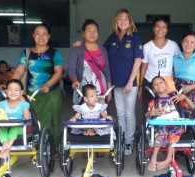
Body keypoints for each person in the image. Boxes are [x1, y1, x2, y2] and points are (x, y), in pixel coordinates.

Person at [11, 23, 63, 151]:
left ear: (49, 36)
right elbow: (19, 71)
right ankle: (38, 150)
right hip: (32, 95)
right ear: (33, 35)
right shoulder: (26, 53)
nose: (41, 37)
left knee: (53, 123)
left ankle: (54, 149)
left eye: (44, 34)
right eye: (38, 34)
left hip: (52, 94)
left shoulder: (54, 53)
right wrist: (11, 85)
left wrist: (47, 84)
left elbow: (58, 72)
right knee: (34, 123)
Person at [104, 8, 144, 156]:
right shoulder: (112, 37)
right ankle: (121, 138)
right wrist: (81, 45)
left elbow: (138, 60)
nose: (123, 21)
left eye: (126, 19)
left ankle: (129, 141)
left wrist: (130, 81)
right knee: (120, 113)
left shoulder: (135, 37)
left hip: (130, 83)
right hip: (116, 83)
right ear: (116, 21)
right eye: (120, 19)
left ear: (130, 21)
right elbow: (101, 51)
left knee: (129, 113)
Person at [145, 76, 195, 171]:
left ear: (166, 85)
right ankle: (154, 157)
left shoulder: (176, 99)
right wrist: (151, 113)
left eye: (161, 82)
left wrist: (184, 97)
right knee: (162, 131)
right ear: (153, 89)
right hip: (162, 127)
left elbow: (192, 107)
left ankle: (168, 160)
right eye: (156, 84)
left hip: (177, 126)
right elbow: (147, 117)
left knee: (173, 132)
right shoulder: (153, 102)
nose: (159, 85)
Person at [138, 16, 181, 122]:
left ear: (167, 30)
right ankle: (148, 135)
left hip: (167, 84)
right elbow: (143, 68)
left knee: (169, 111)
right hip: (149, 83)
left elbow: (179, 65)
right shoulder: (147, 47)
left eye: (163, 27)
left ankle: (168, 134)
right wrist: (140, 87)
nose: (160, 29)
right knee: (148, 111)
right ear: (153, 29)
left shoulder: (173, 46)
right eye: (157, 26)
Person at [68, 19, 112, 105]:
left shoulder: (103, 50)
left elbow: (107, 70)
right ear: (83, 33)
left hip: (101, 90)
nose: (92, 34)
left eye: (95, 31)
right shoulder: (77, 50)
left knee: (100, 115)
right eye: (89, 31)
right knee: (83, 115)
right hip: (83, 91)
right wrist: (74, 80)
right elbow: (71, 69)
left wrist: (109, 89)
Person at [173, 31, 195, 119]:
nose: (188, 44)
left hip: (193, 92)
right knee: (176, 115)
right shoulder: (175, 58)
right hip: (177, 90)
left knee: (190, 117)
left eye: (192, 42)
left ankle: (191, 132)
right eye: (186, 41)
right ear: (182, 42)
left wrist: (190, 87)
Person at [0, 79, 30, 158]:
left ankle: (8, 148)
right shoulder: (1, 104)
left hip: (21, 128)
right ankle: (5, 143)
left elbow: (27, 119)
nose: (13, 92)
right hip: (6, 126)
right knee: (1, 130)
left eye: (16, 90)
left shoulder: (24, 104)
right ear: (6, 91)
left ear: (21, 92)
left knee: (14, 129)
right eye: (10, 90)